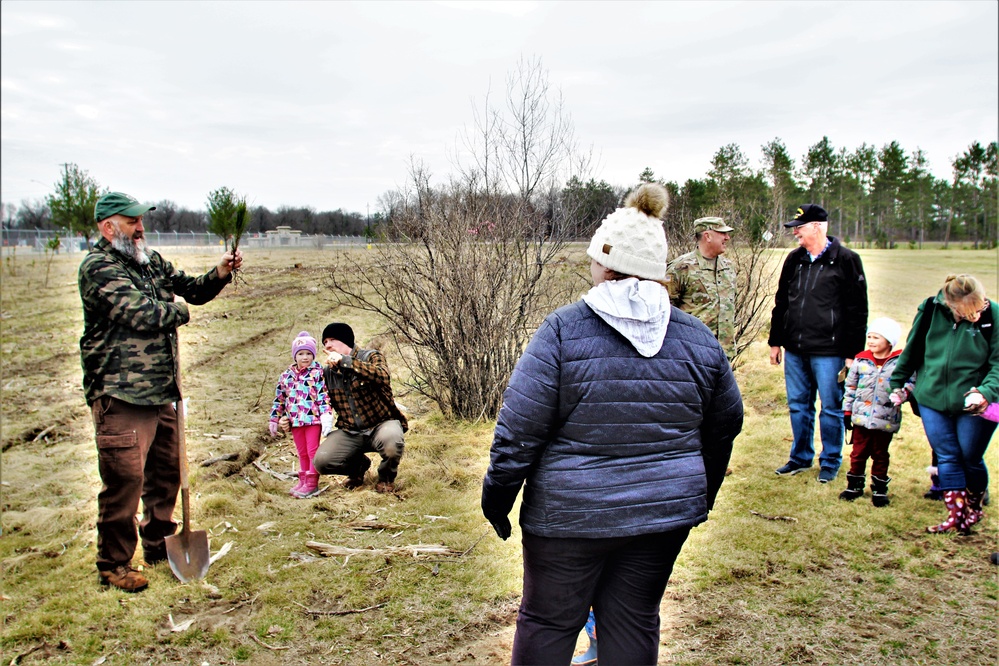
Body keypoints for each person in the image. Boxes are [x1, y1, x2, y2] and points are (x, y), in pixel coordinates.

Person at [480, 183, 744, 665]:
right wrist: (696, 494)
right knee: (633, 619)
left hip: (568, 518)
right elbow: (725, 426)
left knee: (547, 621)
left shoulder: (562, 330)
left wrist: (497, 500)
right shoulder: (698, 338)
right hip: (662, 516)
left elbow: (518, 432)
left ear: (606, 263)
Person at [79, 191, 242, 592]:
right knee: (125, 481)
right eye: (132, 221)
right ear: (108, 227)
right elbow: (139, 312)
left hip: (161, 391)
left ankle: (158, 544)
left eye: (141, 220)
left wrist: (219, 272)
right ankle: (114, 563)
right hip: (120, 394)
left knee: (166, 475)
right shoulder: (98, 267)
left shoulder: (148, 261)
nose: (141, 227)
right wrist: (178, 310)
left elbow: (192, 288)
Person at [890, 274, 997, 534]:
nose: (976, 314)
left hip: (973, 401)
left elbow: (998, 363)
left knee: (970, 456)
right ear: (951, 304)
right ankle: (956, 515)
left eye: (979, 307)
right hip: (932, 398)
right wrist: (897, 382)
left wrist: (985, 391)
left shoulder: (992, 314)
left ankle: (974, 508)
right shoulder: (929, 310)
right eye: (968, 310)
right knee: (947, 456)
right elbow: (913, 349)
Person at [769, 204, 868, 484]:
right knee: (799, 405)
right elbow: (781, 302)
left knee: (831, 407)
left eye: (799, 227)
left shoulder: (846, 260)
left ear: (818, 227)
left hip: (831, 351)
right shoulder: (794, 260)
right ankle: (800, 457)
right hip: (795, 350)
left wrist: (852, 353)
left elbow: (858, 310)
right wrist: (776, 341)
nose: (795, 233)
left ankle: (831, 461)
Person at [311, 322, 408, 493]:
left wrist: (346, 362)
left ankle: (386, 478)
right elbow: (316, 401)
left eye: (332, 339)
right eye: (325, 342)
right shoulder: (327, 373)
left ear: (346, 340)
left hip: (382, 424)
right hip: (351, 431)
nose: (328, 345)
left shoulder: (371, 356)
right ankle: (358, 469)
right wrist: (287, 418)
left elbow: (382, 376)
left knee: (392, 444)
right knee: (322, 462)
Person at [839, 318, 914, 507]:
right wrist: (847, 412)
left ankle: (880, 489)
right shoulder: (861, 359)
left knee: (880, 454)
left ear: (889, 341)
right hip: (861, 418)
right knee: (858, 453)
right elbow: (850, 387)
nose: (871, 341)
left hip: (886, 419)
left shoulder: (900, 362)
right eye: (869, 337)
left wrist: (902, 394)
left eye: (876, 337)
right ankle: (854, 485)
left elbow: (910, 382)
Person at [269, 331, 333, 498]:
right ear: (294, 356)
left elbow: (323, 395)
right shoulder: (286, 376)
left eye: (308, 354)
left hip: (313, 420)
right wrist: (274, 418)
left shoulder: (317, 373)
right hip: (295, 421)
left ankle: (312, 483)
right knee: (301, 451)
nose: (305, 357)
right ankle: (303, 479)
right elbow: (279, 399)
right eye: (301, 354)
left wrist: (326, 414)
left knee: (312, 451)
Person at [666, 216, 737, 359]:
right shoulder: (681, 268)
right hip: (692, 354)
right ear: (708, 236)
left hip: (724, 354)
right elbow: (665, 311)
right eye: (722, 233)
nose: (727, 237)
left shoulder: (728, 268)